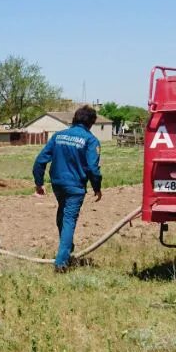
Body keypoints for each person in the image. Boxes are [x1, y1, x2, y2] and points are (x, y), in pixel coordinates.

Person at [32, 105, 103, 271]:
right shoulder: (90, 140)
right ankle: (61, 262)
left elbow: (40, 161)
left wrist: (39, 182)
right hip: (75, 187)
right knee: (69, 219)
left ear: (74, 119)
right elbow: (93, 168)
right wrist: (97, 187)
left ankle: (66, 247)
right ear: (91, 123)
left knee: (62, 215)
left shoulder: (58, 136)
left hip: (57, 184)